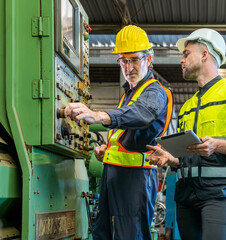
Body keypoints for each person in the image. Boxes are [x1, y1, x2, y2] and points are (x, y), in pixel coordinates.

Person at [146, 28, 226, 240]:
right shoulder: (188, 107)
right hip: (185, 196)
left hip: (216, 196)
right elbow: (188, 157)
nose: (181, 60)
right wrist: (172, 159)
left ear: (204, 54)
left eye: (186, 53)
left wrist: (217, 144)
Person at [64, 25, 173, 240]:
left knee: (128, 235)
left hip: (135, 179)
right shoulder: (129, 94)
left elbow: (142, 115)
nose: (128, 67)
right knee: (104, 233)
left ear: (148, 60)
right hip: (116, 175)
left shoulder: (154, 91)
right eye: (123, 60)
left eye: (134, 59)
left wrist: (98, 115)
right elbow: (126, 134)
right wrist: (109, 150)